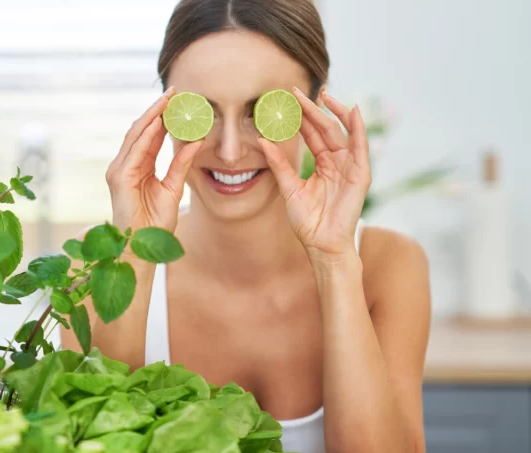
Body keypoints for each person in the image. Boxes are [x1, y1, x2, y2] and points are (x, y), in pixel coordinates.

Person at [61, 0, 431, 451]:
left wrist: (333, 261)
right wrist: (136, 254)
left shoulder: (389, 264)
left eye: (263, 111)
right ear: (163, 112)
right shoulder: (94, 264)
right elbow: (90, 440)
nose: (231, 151)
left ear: (314, 107)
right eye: (204, 111)